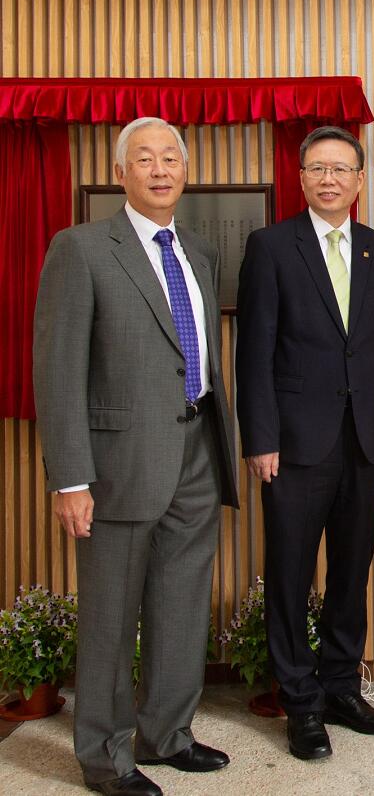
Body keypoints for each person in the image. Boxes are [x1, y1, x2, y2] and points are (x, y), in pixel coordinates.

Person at [33, 116, 239, 796]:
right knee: (110, 617)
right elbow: (58, 370)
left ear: (185, 170)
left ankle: (167, 734)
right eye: (144, 158)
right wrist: (70, 477)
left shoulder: (198, 252)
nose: (160, 169)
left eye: (170, 157)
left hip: (197, 450)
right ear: (120, 172)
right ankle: (104, 756)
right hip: (119, 462)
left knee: (182, 605)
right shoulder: (82, 248)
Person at [235, 125, 374, 761]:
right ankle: (301, 704)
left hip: (366, 441)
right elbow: (253, 352)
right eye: (318, 168)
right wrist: (260, 438)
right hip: (292, 444)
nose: (329, 178)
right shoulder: (271, 247)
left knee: (351, 571)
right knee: (289, 575)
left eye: (341, 168)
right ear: (302, 178)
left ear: (359, 180)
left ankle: (341, 688)